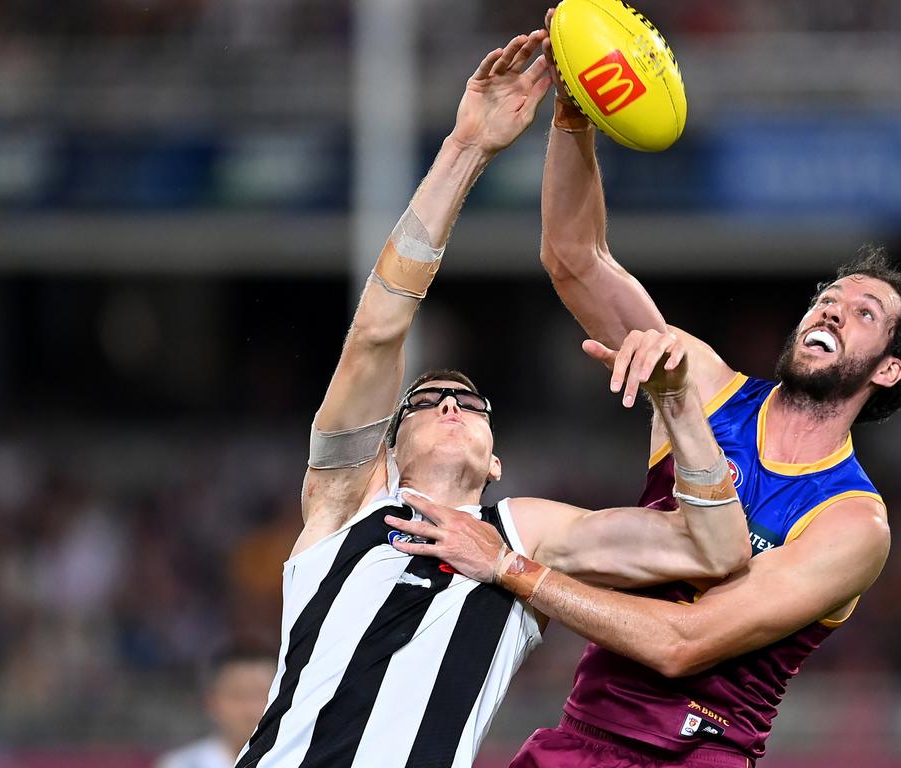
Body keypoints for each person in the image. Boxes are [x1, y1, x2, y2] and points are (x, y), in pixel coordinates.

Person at [384, 12, 901, 767]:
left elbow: (684, 645)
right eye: (828, 297)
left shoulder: (851, 522)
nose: (831, 310)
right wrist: (575, 115)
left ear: (887, 370)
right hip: (578, 739)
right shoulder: (704, 382)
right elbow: (575, 258)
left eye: (862, 313)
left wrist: (509, 566)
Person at [233, 31, 751, 768]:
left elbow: (718, 550)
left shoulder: (524, 535)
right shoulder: (345, 503)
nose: (449, 405)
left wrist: (678, 408)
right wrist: (467, 146)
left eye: (469, 403)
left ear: (497, 459)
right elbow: (382, 326)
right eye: (427, 400)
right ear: (388, 448)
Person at [156, 645, 277, 768]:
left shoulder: (293, 760)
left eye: (264, 695)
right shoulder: (180, 764)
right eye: (239, 695)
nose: (252, 710)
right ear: (212, 702)